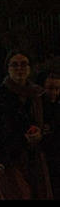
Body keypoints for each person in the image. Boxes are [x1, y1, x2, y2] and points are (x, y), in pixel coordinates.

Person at [0, 50, 52, 200]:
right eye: (14, 65)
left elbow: (48, 123)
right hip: (9, 158)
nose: (19, 68)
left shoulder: (38, 94)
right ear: (8, 68)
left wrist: (40, 134)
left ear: (29, 68)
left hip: (36, 158)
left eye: (23, 64)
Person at [38, 69, 60, 198]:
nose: (54, 93)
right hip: (44, 157)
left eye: (57, 89)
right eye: (50, 88)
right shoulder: (38, 107)